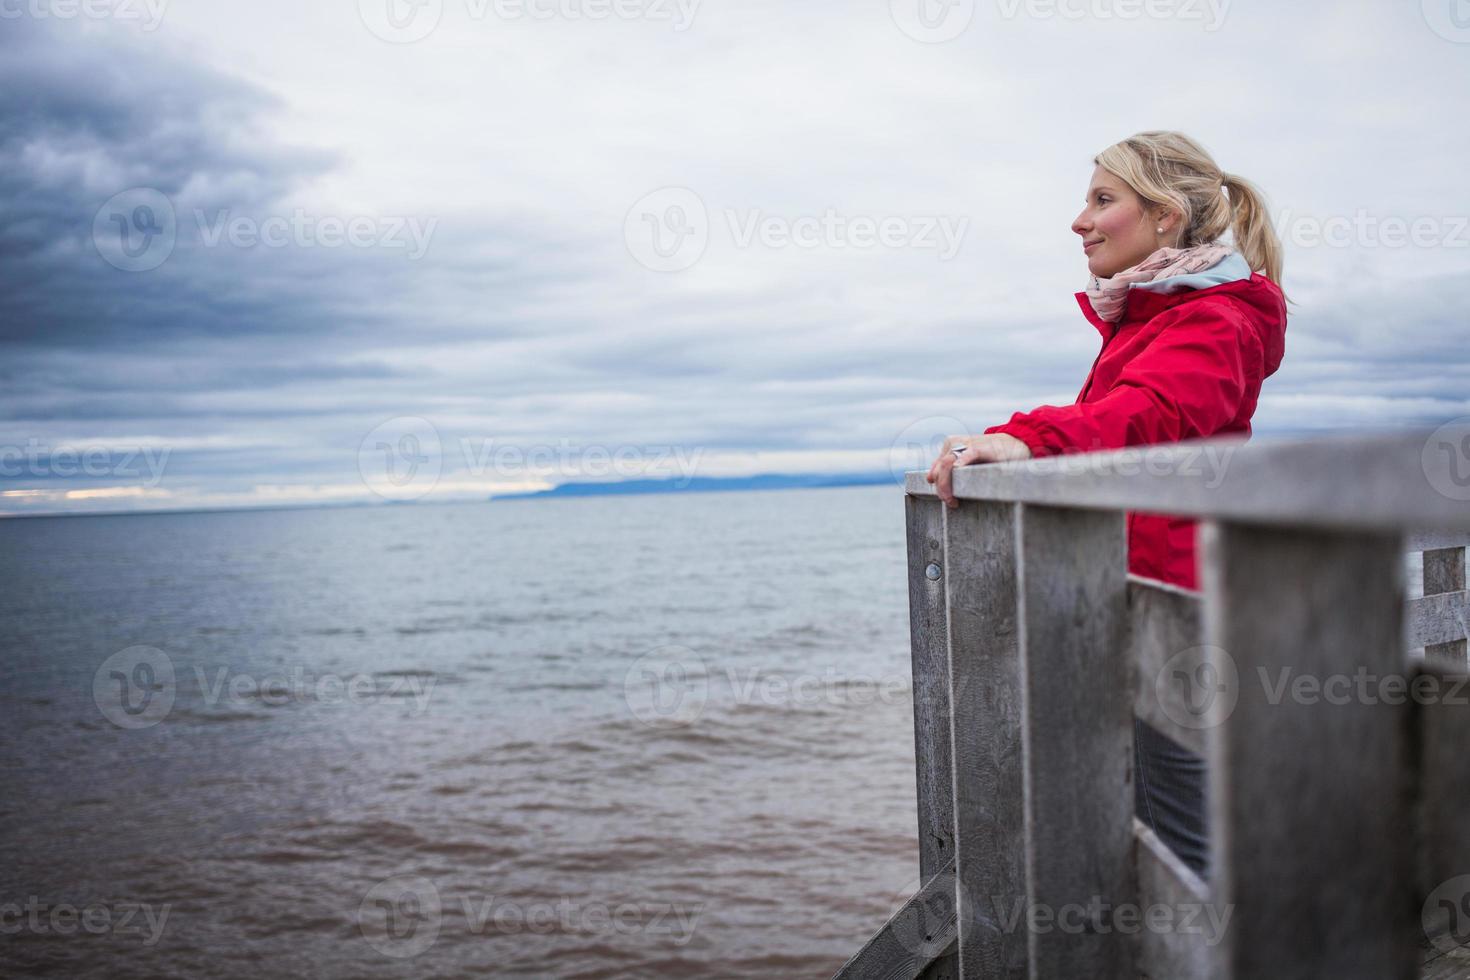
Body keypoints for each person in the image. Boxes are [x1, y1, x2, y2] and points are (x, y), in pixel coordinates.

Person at [925, 131, 1289, 879]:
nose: (1079, 221)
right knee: (1151, 823)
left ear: (1163, 217)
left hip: (1175, 614)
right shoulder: (1159, 315)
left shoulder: (1214, 320)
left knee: (1185, 843)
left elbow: (1143, 416)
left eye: (1102, 200)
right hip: (1141, 600)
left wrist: (1023, 440)